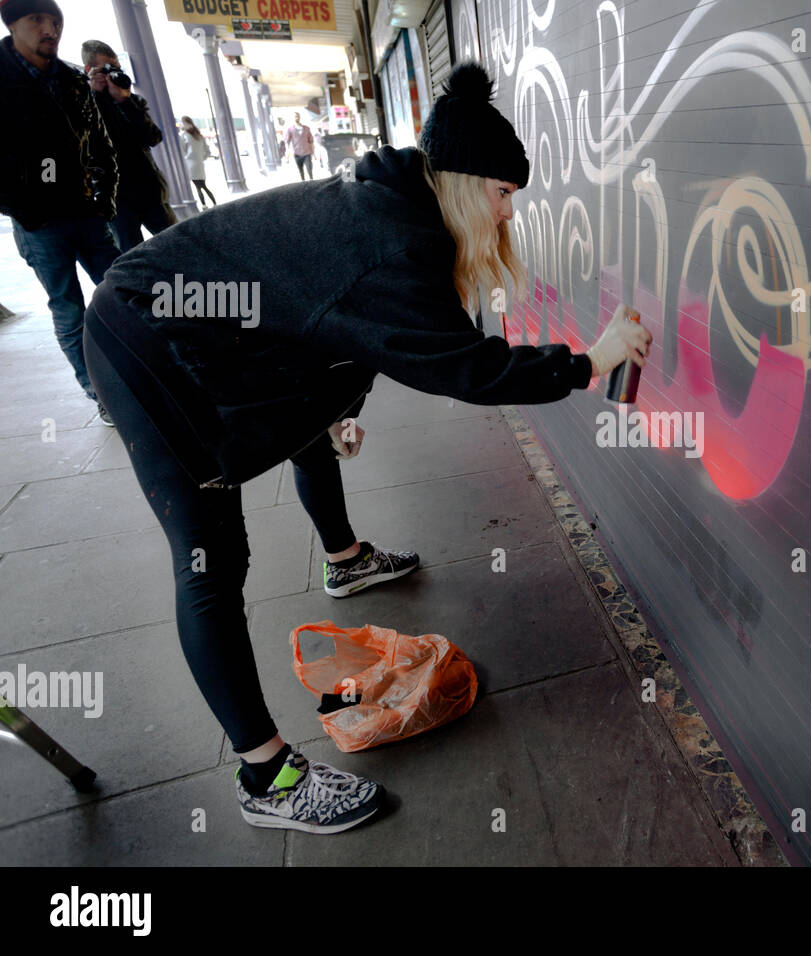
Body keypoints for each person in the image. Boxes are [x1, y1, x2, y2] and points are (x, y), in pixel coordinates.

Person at [82, 61, 650, 834]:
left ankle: (344, 561)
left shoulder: (396, 206)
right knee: (212, 556)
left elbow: (339, 323)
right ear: (461, 180)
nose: (509, 214)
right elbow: (467, 369)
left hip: (204, 326)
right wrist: (592, 362)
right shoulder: (392, 242)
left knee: (311, 439)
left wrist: (334, 403)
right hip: (148, 339)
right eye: (504, 194)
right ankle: (267, 776)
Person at [0, 0, 120, 426]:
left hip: (87, 214)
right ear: (12, 24)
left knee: (125, 291)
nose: (49, 28)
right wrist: (24, 209)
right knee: (68, 308)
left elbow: (101, 145)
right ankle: (100, 392)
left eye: (55, 21)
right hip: (39, 225)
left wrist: (104, 200)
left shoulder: (71, 78)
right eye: (37, 20)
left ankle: (145, 374)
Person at [81, 39, 176, 252]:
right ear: (90, 70)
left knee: (177, 245)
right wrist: (94, 96)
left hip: (148, 189)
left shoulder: (131, 100)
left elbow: (153, 138)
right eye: (107, 69)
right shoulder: (82, 105)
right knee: (133, 257)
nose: (114, 74)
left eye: (117, 68)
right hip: (116, 199)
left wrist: (125, 102)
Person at [178, 115, 215, 209]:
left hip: (191, 164)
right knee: (203, 186)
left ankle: (204, 205)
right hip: (200, 164)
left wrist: (188, 158)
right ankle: (212, 203)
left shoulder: (185, 136)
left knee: (199, 187)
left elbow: (182, 151)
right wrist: (201, 158)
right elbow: (208, 151)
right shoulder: (199, 135)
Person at [284, 111, 314, 180]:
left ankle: (312, 184)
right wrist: (287, 153)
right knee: (301, 172)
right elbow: (287, 142)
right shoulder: (290, 129)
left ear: (299, 117)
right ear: (292, 118)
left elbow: (311, 141)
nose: (296, 118)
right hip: (297, 154)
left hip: (307, 153)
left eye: (297, 116)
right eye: (295, 116)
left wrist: (313, 153)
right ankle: (304, 185)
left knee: (310, 171)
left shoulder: (306, 128)